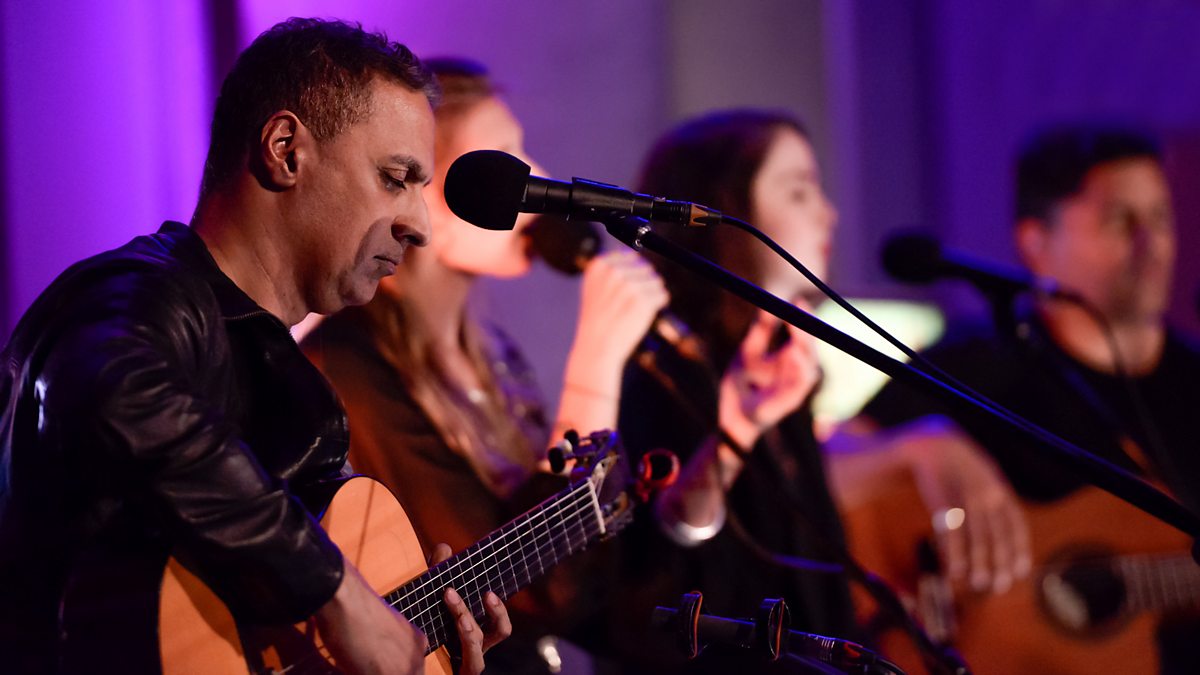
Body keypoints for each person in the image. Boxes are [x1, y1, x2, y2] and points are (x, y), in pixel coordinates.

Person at [0, 19, 509, 675]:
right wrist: (339, 597)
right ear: (285, 150)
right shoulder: (143, 293)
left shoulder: (282, 372)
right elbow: (116, 390)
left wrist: (410, 637)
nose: (419, 225)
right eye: (394, 178)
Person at [300, 58, 667, 672]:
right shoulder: (347, 367)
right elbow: (523, 593)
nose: (537, 177)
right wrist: (594, 369)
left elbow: (591, 583)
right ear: (428, 201)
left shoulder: (490, 349)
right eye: (504, 162)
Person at [852, 125, 1200, 671]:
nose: (1150, 244)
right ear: (1036, 243)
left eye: (1160, 218)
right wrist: (922, 447)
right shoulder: (975, 363)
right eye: (1120, 221)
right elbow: (823, 465)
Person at [606, 109, 854, 673]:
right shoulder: (661, 368)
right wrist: (733, 434)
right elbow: (660, 579)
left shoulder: (775, 357)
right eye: (799, 191)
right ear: (725, 211)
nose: (828, 213)